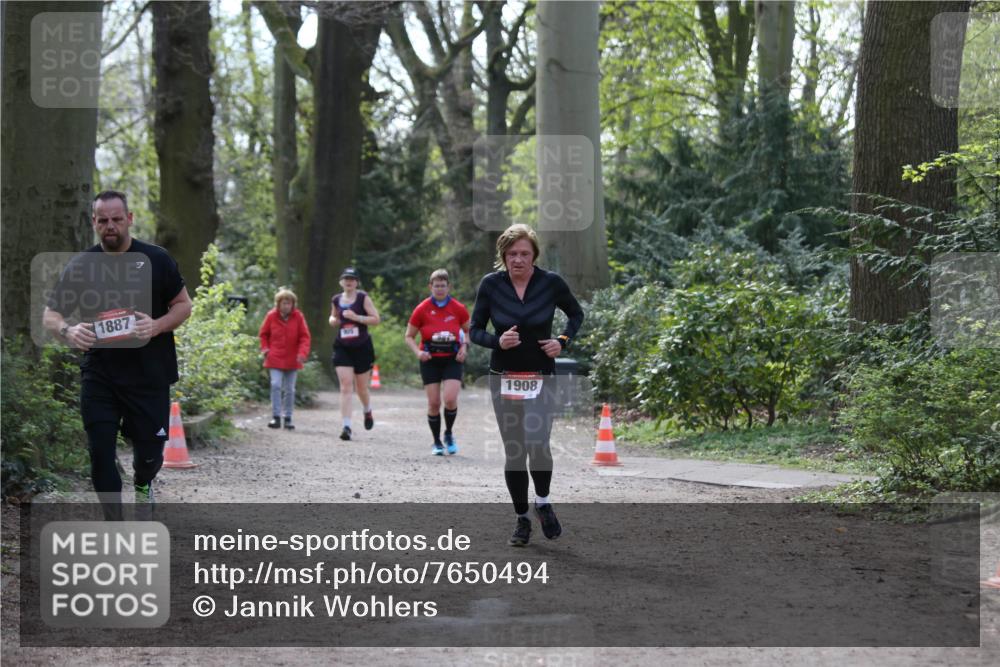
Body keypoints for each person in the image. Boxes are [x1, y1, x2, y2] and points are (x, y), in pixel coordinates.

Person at [42, 190, 193, 519]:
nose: (110, 226)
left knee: (150, 455)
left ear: (130, 219)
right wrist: (69, 330)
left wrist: (156, 326)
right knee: (100, 452)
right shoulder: (82, 265)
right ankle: (115, 525)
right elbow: (50, 315)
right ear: (94, 222)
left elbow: (183, 306)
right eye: (103, 220)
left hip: (150, 374)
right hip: (101, 374)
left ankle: (143, 482)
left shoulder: (157, 259)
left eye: (116, 219)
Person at [470, 224, 584, 547]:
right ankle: (521, 518)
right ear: (503, 256)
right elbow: (474, 330)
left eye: (524, 253)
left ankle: (543, 503)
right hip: (503, 377)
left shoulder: (550, 283)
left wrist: (562, 340)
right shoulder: (491, 286)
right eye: (511, 254)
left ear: (534, 255)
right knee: (515, 450)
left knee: (538, 443)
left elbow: (576, 315)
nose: (518, 259)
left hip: (541, 376)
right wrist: (497, 341)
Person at [405, 269, 470, 456]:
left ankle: (449, 434)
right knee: (434, 403)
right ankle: (436, 442)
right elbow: (409, 336)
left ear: (448, 287)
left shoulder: (458, 308)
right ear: (430, 287)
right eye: (436, 285)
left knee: (450, 399)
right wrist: (418, 352)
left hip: (452, 359)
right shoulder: (422, 309)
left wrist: (464, 348)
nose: (440, 289)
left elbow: (467, 331)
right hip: (430, 360)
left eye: (443, 285)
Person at [328, 267, 380, 441]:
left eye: (352, 279)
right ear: (341, 282)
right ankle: (346, 426)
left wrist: (357, 317)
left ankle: (367, 410)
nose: (349, 281)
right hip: (343, 346)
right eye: (346, 279)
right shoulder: (336, 299)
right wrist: (333, 320)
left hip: (362, 347)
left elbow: (376, 319)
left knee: (361, 388)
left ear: (357, 282)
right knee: (345, 386)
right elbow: (333, 317)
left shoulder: (363, 298)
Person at [259, 288, 311, 430]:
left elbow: (304, 337)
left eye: (289, 303)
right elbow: (263, 334)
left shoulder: (298, 317)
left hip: (293, 359)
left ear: (293, 304)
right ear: (278, 304)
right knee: (275, 385)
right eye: (284, 303)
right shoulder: (271, 316)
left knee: (290, 389)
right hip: (274, 357)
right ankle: (276, 417)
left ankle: (288, 418)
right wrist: (265, 349)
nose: (286, 306)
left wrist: (302, 353)